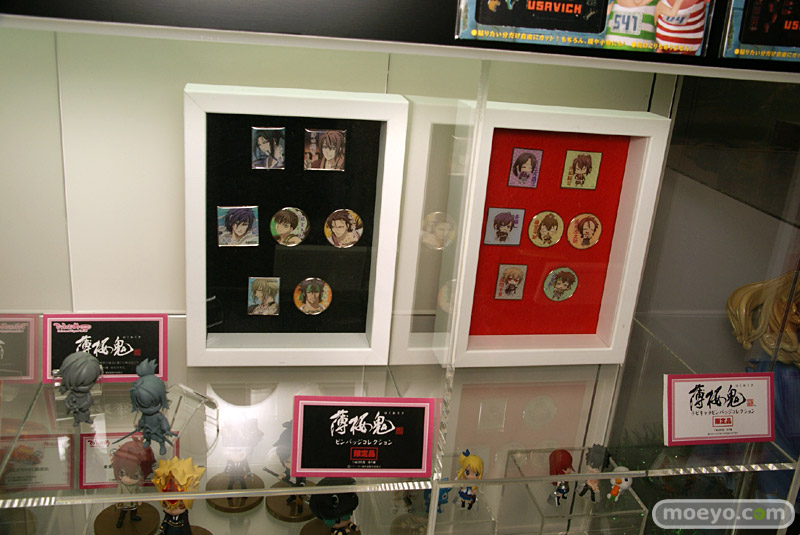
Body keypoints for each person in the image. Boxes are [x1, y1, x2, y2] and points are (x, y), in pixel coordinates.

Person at [129, 359, 176, 455]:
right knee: (147, 435)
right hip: (148, 429)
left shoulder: (158, 415)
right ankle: (148, 441)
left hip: (157, 430)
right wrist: (140, 426)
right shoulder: (145, 414)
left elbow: (163, 421)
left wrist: (166, 429)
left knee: (160, 439)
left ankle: (162, 446)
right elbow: (142, 420)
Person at [152, 457, 205, 535]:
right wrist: (162, 528)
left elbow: (186, 528)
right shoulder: (168, 516)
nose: (172, 511)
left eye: (180, 506)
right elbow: (165, 522)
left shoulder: (183, 516)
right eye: (165, 505)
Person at [111, 437, 156, 529]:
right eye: (123, 473)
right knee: (123, 513)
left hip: (133, 503)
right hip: (125, 503)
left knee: (134, 511)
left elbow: (138, 492)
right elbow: (118, 494)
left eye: (135, 476)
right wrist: (118, 502)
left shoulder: (136, 485)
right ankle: (120, 521)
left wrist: (139, 500)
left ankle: (133, 517)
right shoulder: (121, 485)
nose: (128, 479)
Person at [57, 351, 101, 426]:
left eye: (90, 382)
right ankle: (77, 421)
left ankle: (87, 419)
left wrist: (82, 407)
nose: (85, 387)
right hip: (76, 410)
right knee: (76, 415)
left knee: (86, 413)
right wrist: (70, 406)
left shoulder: (87, 394)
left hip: (84, 409)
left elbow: (88, 401)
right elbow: (67, 401)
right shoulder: (72, 394)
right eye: (81, 383)